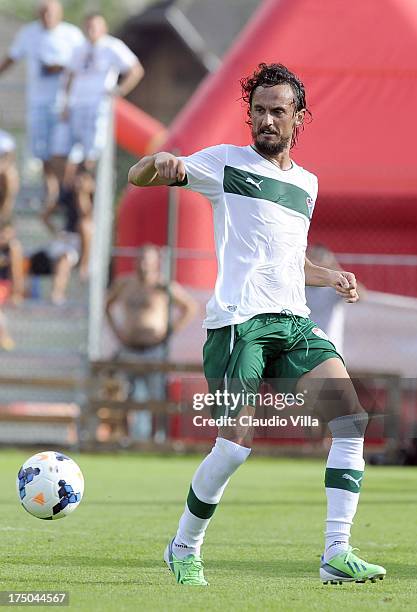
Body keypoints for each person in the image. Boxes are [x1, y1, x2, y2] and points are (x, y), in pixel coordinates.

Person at [128, 63, 386, 586]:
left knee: (350, 422)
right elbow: (143, 177)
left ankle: (336, 553)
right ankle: (184, 546)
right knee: (234, 446)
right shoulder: (224, 164)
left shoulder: (308, 185)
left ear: (300, 119)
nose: (266, 120)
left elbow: (288, 261)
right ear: (249, 115)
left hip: (292, 322)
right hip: (238, 324)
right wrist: (156, 165)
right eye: (259, 111)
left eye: (277, 112)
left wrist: (329, 276)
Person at [60, 12, 144, 279]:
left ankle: (87, 180)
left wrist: (118, 91)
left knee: (90, 163)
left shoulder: (112, 47)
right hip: (78, 111)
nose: (91, 31)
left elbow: (135, 69)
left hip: (96, 110)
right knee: (73, 163)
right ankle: (76, 187)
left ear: (103, 27)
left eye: (96, 26)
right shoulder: (80, 49)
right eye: (89, 26)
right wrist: (66, 102)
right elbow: (71, 76)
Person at [0, 0, 84, 219]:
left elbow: (83, 63)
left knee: (64, 151)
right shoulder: (29, 34)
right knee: (42, 151)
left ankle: (65, 194)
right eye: (43, 12)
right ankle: (53, 192)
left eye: (51, 12)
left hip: (64, 105)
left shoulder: (72, 35)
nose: (47, 16)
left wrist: (62, 67)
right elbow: (12, 57)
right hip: (38, 104)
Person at [105, 245, 198, 438]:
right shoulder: (124, 284)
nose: (143, 265)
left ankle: (158, 438)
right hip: (129, 348)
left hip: (154, 350)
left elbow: (190, 307)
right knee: (124, 396)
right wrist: (117, 331)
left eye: (147, 261)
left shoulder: (163, 286)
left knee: (157, 396)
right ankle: (125, 438)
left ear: (156, 264)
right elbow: (107, 305)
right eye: (140, 260)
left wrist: (170, 330)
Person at [0, 220, 24, 350]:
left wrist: (17, 293)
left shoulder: (13, 248)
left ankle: (4, 335)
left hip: (4, 285)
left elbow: (17, 273)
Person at [0, 130, 19, 221]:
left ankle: (5, 215)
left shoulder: (4, 137)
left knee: (10, 174)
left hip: (3, 170)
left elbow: (9, 158)